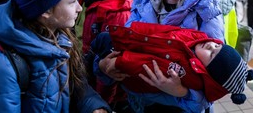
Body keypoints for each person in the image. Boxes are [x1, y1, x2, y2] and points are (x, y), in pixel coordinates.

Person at [93, 0, 224, 112]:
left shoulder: (207, 12)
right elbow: (125, 44)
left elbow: (215, 85)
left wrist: (181, 92)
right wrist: (103, 67)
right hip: (140, 103)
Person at [102, 22, 252, 104]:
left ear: (208, 71)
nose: (211, 45)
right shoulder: (198, 38)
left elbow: (151, 66)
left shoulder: (187, 73)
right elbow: (163, 30)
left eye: (212, 54)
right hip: (130, 40)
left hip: (123, 61)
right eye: (218, 46)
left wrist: (122, 61)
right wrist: (133, 30)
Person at [72, 0, 134, 112]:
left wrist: (100, 102)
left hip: (99, 86)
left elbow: (110, 69)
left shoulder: (118, 15)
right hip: (83, 66)